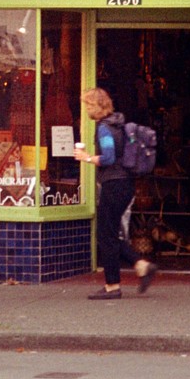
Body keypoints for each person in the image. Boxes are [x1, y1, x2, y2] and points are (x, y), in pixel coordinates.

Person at [73, 87, 157, 299]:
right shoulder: (118, 124)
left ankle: (113, 286)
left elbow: (108, 158)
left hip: (114, 185)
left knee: (106, 234)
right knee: (108, 233)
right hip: (124, 185)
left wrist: (86, 157)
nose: (87, 110)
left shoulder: (104, 128)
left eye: (88, 105)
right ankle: (141, 265)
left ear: (97, 106)